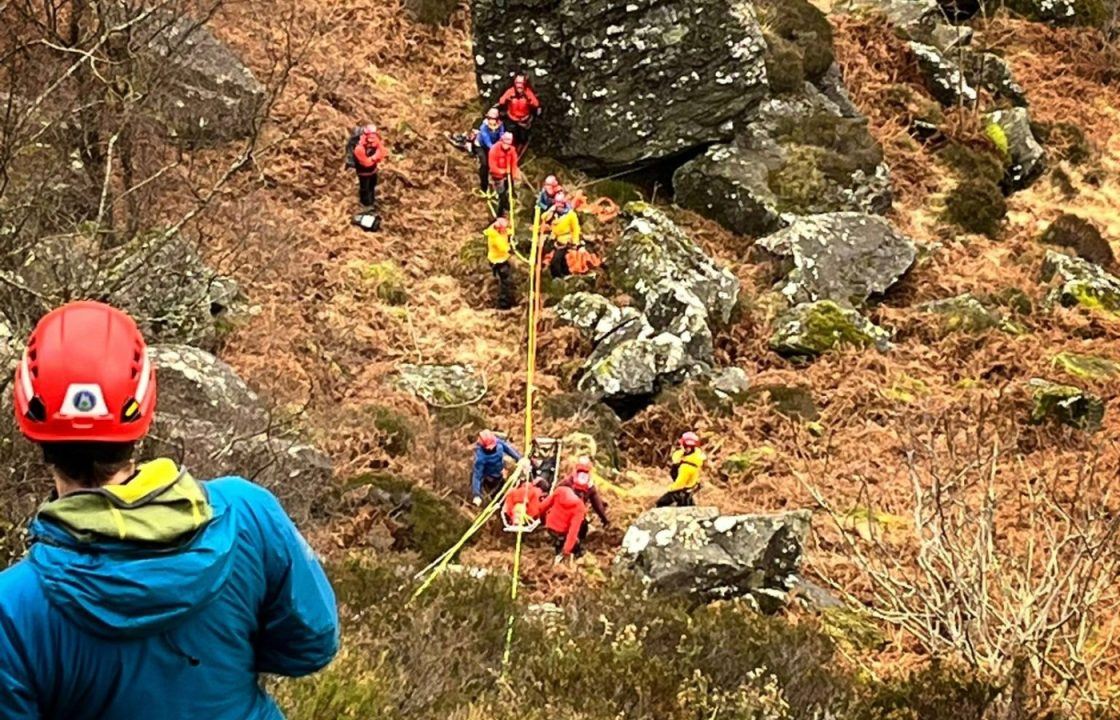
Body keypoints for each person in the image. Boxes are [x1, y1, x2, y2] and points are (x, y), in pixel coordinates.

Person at [0, 301, 339, 720]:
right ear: (145, 407)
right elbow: (313, 644)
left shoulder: (13, 609)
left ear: (26, 415)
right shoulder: (248, 513)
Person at [470, 429, 523, 506]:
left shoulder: (497, 442)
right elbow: (477, 476)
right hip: (490, 480)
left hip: (500, 474)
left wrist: (519, 458)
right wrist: (476, 494)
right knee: (497, 498)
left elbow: (508, 448)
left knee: (505, 493)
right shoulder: (481, 458)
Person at [538, 485, 588, 564]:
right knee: (577, 546)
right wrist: (566, 551)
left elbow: (542, 507)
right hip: (562, 533)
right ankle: (578, 556)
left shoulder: (560, 491)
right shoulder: (579, 506)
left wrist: (542, 520)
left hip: (550, 527)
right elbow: (573, 531)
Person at [656, 431, 706, 507]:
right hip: (688, 490)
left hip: (681, 490)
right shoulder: (695, 459)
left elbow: (680, 484)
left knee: (661, 503)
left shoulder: (686, 467)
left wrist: (670, 489)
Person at [558, 455, 609, 527]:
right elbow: (597, 504)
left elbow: (556, 493)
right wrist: (604, 519)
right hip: (574, 516)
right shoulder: (589, 485)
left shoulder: (568, 481)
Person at [498, 74, 541, 151]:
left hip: (524, 120)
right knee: (511, 136)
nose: (519, 86)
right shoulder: (510, 91)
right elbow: (501, 101)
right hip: (512, 119)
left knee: (522, 138)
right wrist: (507, 98)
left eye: (521, 83)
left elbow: (536, 103)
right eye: (517, 83)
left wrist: (529, 100)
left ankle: (520, 149)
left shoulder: (528, 92)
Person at [353, 124, 388, 209]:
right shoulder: (359, 148)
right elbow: (366, 163)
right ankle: (365, 204)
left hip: (373, 170)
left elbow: (383, 151)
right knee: (365, 188)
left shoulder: (375, 141)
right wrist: (376, 157)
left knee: (372, 186)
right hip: (363, 173)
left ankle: (372, 201)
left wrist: (373, 158)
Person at [488, 131, 520, 219]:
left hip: (508, 174)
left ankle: (511, 194)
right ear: (501, 141)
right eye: (505, 142)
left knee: (510, 188)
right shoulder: (494, 149)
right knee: (502, 195)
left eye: (508, 143)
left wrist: (514, 174)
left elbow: (514, 164)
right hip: (497, 175)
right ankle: (500, 213)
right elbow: (493, 167)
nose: (506, 145)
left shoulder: (512, 150)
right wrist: (503, 171)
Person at [485, 216, 515, 310]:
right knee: (506, 282)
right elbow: (505, 248)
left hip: (499, 260)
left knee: (505, 281)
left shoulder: (497, 231)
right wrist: (512, 247)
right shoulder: (495, 237)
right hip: (499, 261)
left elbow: (508, 232)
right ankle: (504, 304)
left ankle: (507, 299)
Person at [474, 107, 505, 193]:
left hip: (494, 147)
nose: (491, 121)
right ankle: (484, 185)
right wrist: (495, 149)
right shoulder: (484, 127)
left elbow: (501, 136)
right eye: (490, 118)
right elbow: (486, 140)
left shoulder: (500, 125)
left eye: (493, 119)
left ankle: (500, 186)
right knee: (485, 165)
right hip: (482, 147)